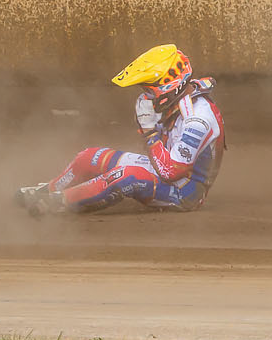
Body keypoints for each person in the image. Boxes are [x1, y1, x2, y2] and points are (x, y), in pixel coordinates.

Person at [17, 43, 225, 217]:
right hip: (166, 167)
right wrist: (152, 129)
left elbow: (169, 171)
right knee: (89, 156)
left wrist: (149, 131)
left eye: (148, 90)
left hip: (186, 191)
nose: (146, 96)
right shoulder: (181, 100)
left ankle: (58, 202)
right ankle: (47, 190)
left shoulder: (198, 119)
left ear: (169, 85)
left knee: (126, 175)